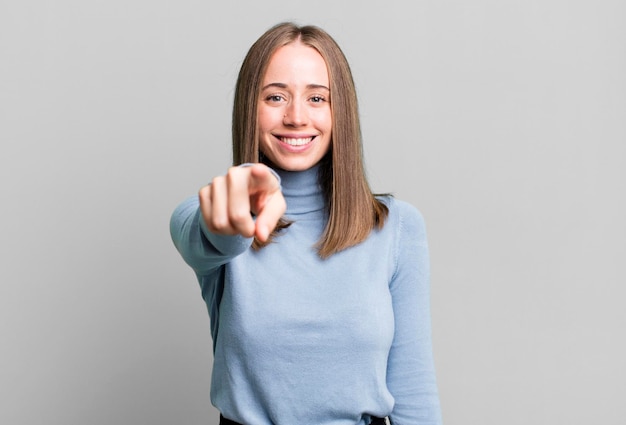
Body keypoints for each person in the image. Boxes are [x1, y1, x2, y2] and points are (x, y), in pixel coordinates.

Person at [170, 21, 442, 425]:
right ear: (250, 107)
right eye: (276, 96)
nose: (297, 117)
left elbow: (413, 391)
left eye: (317, 98)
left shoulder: (397, 227)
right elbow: (212, 234)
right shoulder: (210, 212)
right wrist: (240, 209)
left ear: (340, 112)